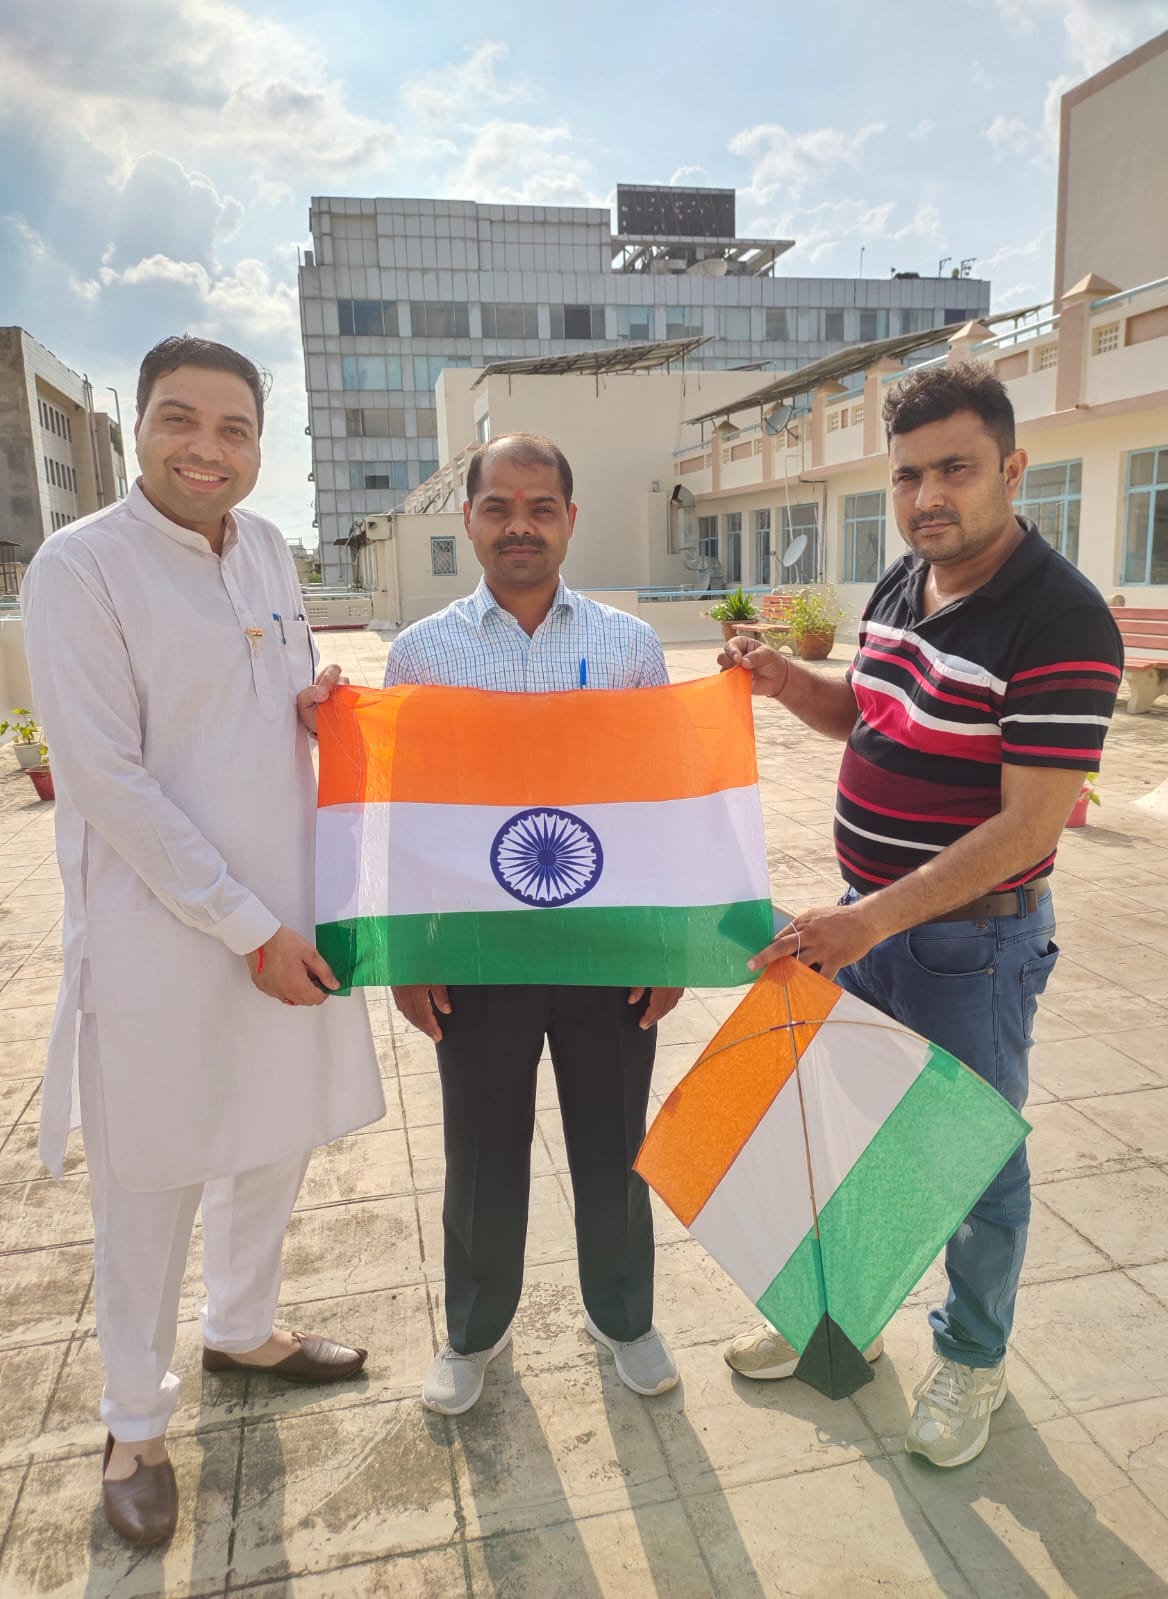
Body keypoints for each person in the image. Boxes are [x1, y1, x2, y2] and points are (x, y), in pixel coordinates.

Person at [721, 362, 1123, 1468]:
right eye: (908, 476)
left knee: (972, 1159)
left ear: (1012, 468)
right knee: (854, 1137)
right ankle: (840, 1318)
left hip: (969, 946)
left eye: (955, 469)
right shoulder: (907, 579)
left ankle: (973, 1358)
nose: (928, 496)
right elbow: (866, 713)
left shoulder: (1061, 618)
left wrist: (872, 921)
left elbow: (1028, 826)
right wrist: (782, 682)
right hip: (871, 922)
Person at [22, 335, 385, 1546]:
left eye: (234, 429)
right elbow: (108, 781)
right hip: (165, 936)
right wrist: (240, 927)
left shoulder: (269, 549)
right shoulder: (82, 569)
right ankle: (133, 1422)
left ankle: (242, 1328)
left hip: (287, 913)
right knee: (155, 1176)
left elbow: (258, 700)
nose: (206, 449)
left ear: (258, 445)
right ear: (137, 428)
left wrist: (313, 706)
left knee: (271, 1135)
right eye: (180, 420)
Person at [385, 432, 683, 1415]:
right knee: (480, 1153)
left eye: (541, 507)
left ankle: (625, 1319)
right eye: (499, 507)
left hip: (608, 949)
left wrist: (666, 944)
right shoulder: (419, 653)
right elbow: (403, 814)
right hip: (475, 953)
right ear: (468, 518)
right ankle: (474, 1332)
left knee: (614, 1145)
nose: (521, 525)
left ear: (570, 519)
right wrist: (408, 953)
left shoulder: (631, 647)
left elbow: (660, 805)